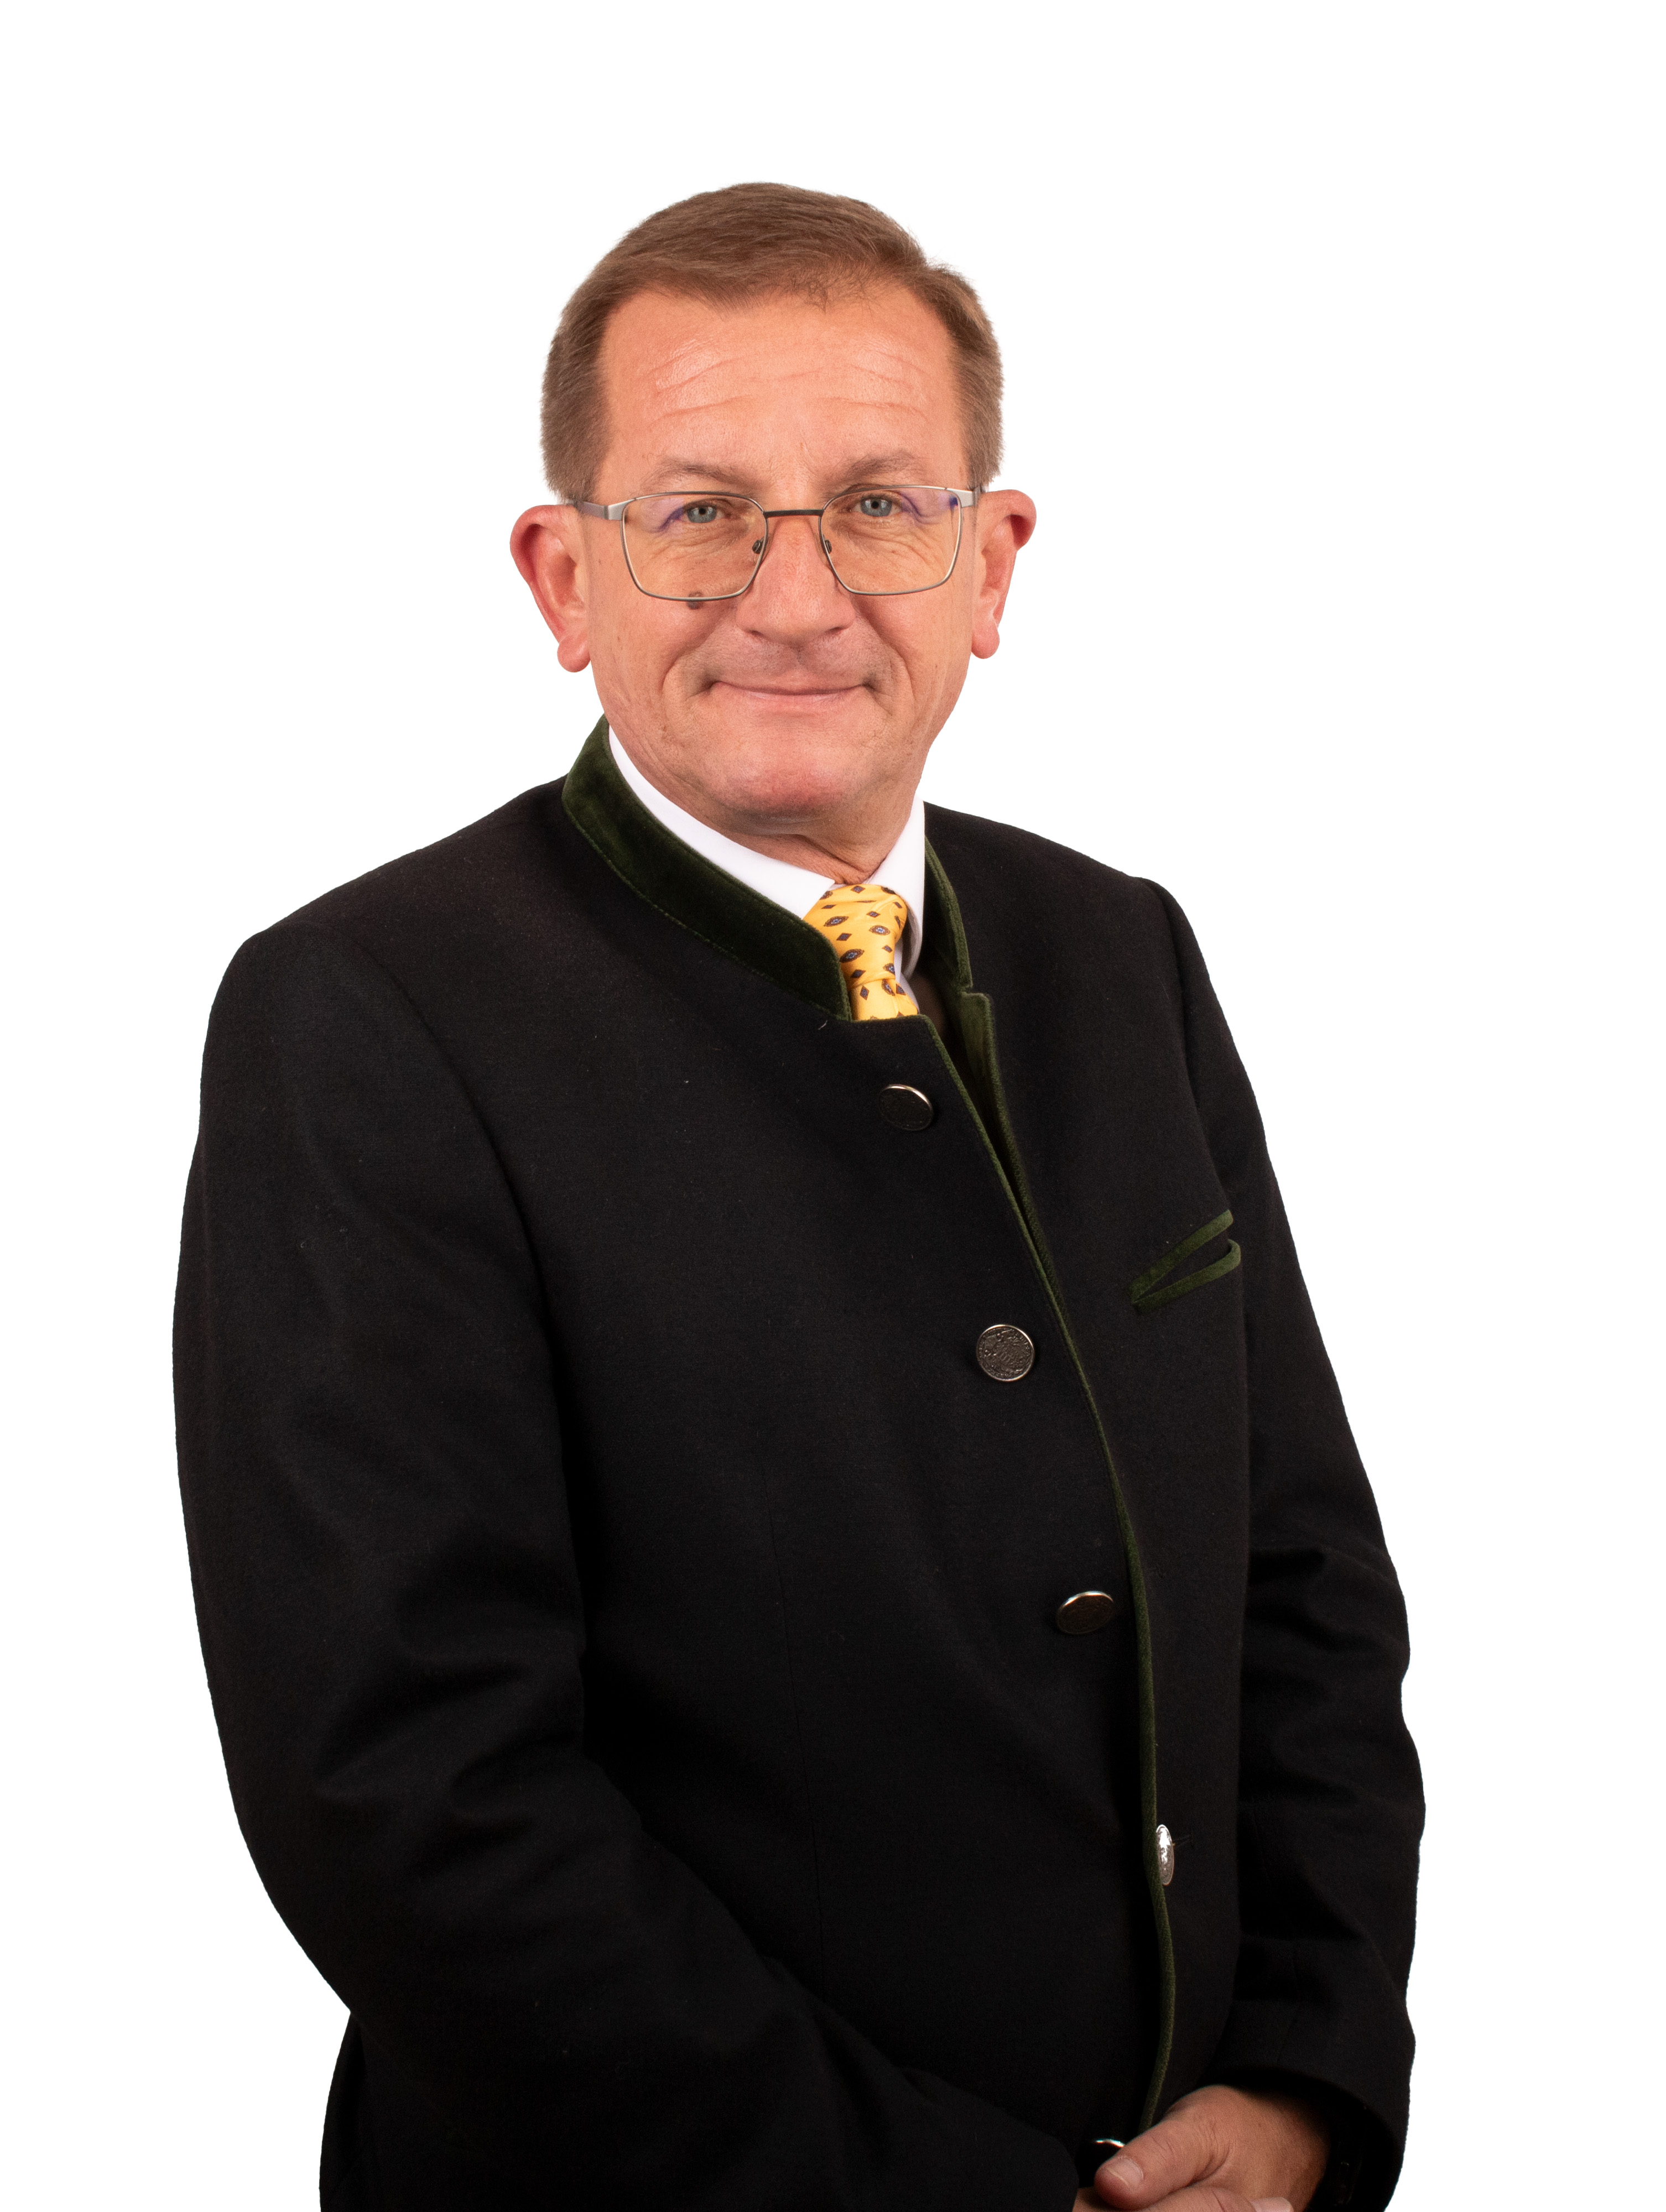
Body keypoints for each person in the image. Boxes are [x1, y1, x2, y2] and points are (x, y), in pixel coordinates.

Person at [175, 184, 1422, 2212]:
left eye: (876, 505)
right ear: (563, 579)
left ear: (989, 564)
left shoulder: (1118, 950)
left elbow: (1300, 1590)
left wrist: (1302, 2074)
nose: (794, 596)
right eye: (697, 513)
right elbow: (407, 1793)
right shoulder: (368, 1014)